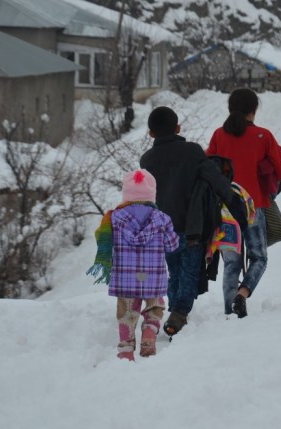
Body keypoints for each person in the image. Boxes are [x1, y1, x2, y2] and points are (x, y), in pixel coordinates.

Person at [140, 106, 246, 336]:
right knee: (189, 271)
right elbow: (217, 181)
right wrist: (236, 205)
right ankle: (178, 314)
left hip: (162, 229)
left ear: (150, 133)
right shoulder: (192, 152)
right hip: (192, 227)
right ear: (178, 128)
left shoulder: (146, 160)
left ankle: (176, 312)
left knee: (175, 272)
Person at [206, 88, 281, 318]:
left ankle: (229, 311)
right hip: (254, 208)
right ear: (254, 110)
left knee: (231, 263)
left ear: (231, 109)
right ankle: (242, 294)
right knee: (259, 257)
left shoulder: (219, 135)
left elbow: (208, 166)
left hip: (225, 210)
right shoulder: (263, 136)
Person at [86, 169, 179, 361]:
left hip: (126, 277)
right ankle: (149, 333)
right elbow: (172, 245)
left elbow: (105, 243)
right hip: (153, 276)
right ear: (151, 194)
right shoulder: (162, 218)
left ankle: (126, 352)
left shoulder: (114, 218)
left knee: (126, 313)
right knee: (155, 307)